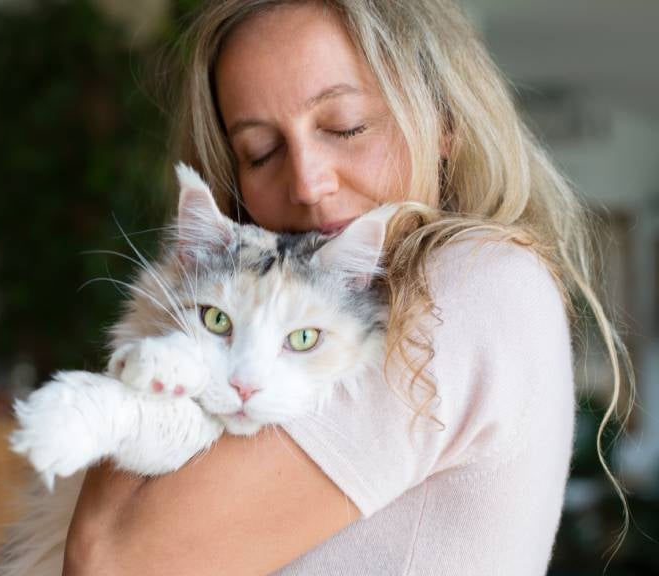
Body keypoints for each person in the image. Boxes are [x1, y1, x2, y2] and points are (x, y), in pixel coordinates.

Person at [62, 1, 631, 574]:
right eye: (261, 152)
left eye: (346, 127)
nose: (308, 184)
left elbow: (110, 555)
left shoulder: (472, 284)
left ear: (445, 120)